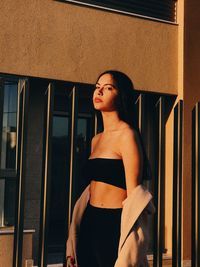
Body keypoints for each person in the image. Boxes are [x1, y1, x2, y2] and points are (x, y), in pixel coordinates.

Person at [66, 70, 155, 267]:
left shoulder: (127, 135)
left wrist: (133, 245)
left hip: (113, 224)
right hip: (90, 220)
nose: (99, 92)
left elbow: (135, 196)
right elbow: (91, 187)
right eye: (97, 87)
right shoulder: (96, 140)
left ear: (120, 95)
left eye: (108, 88)